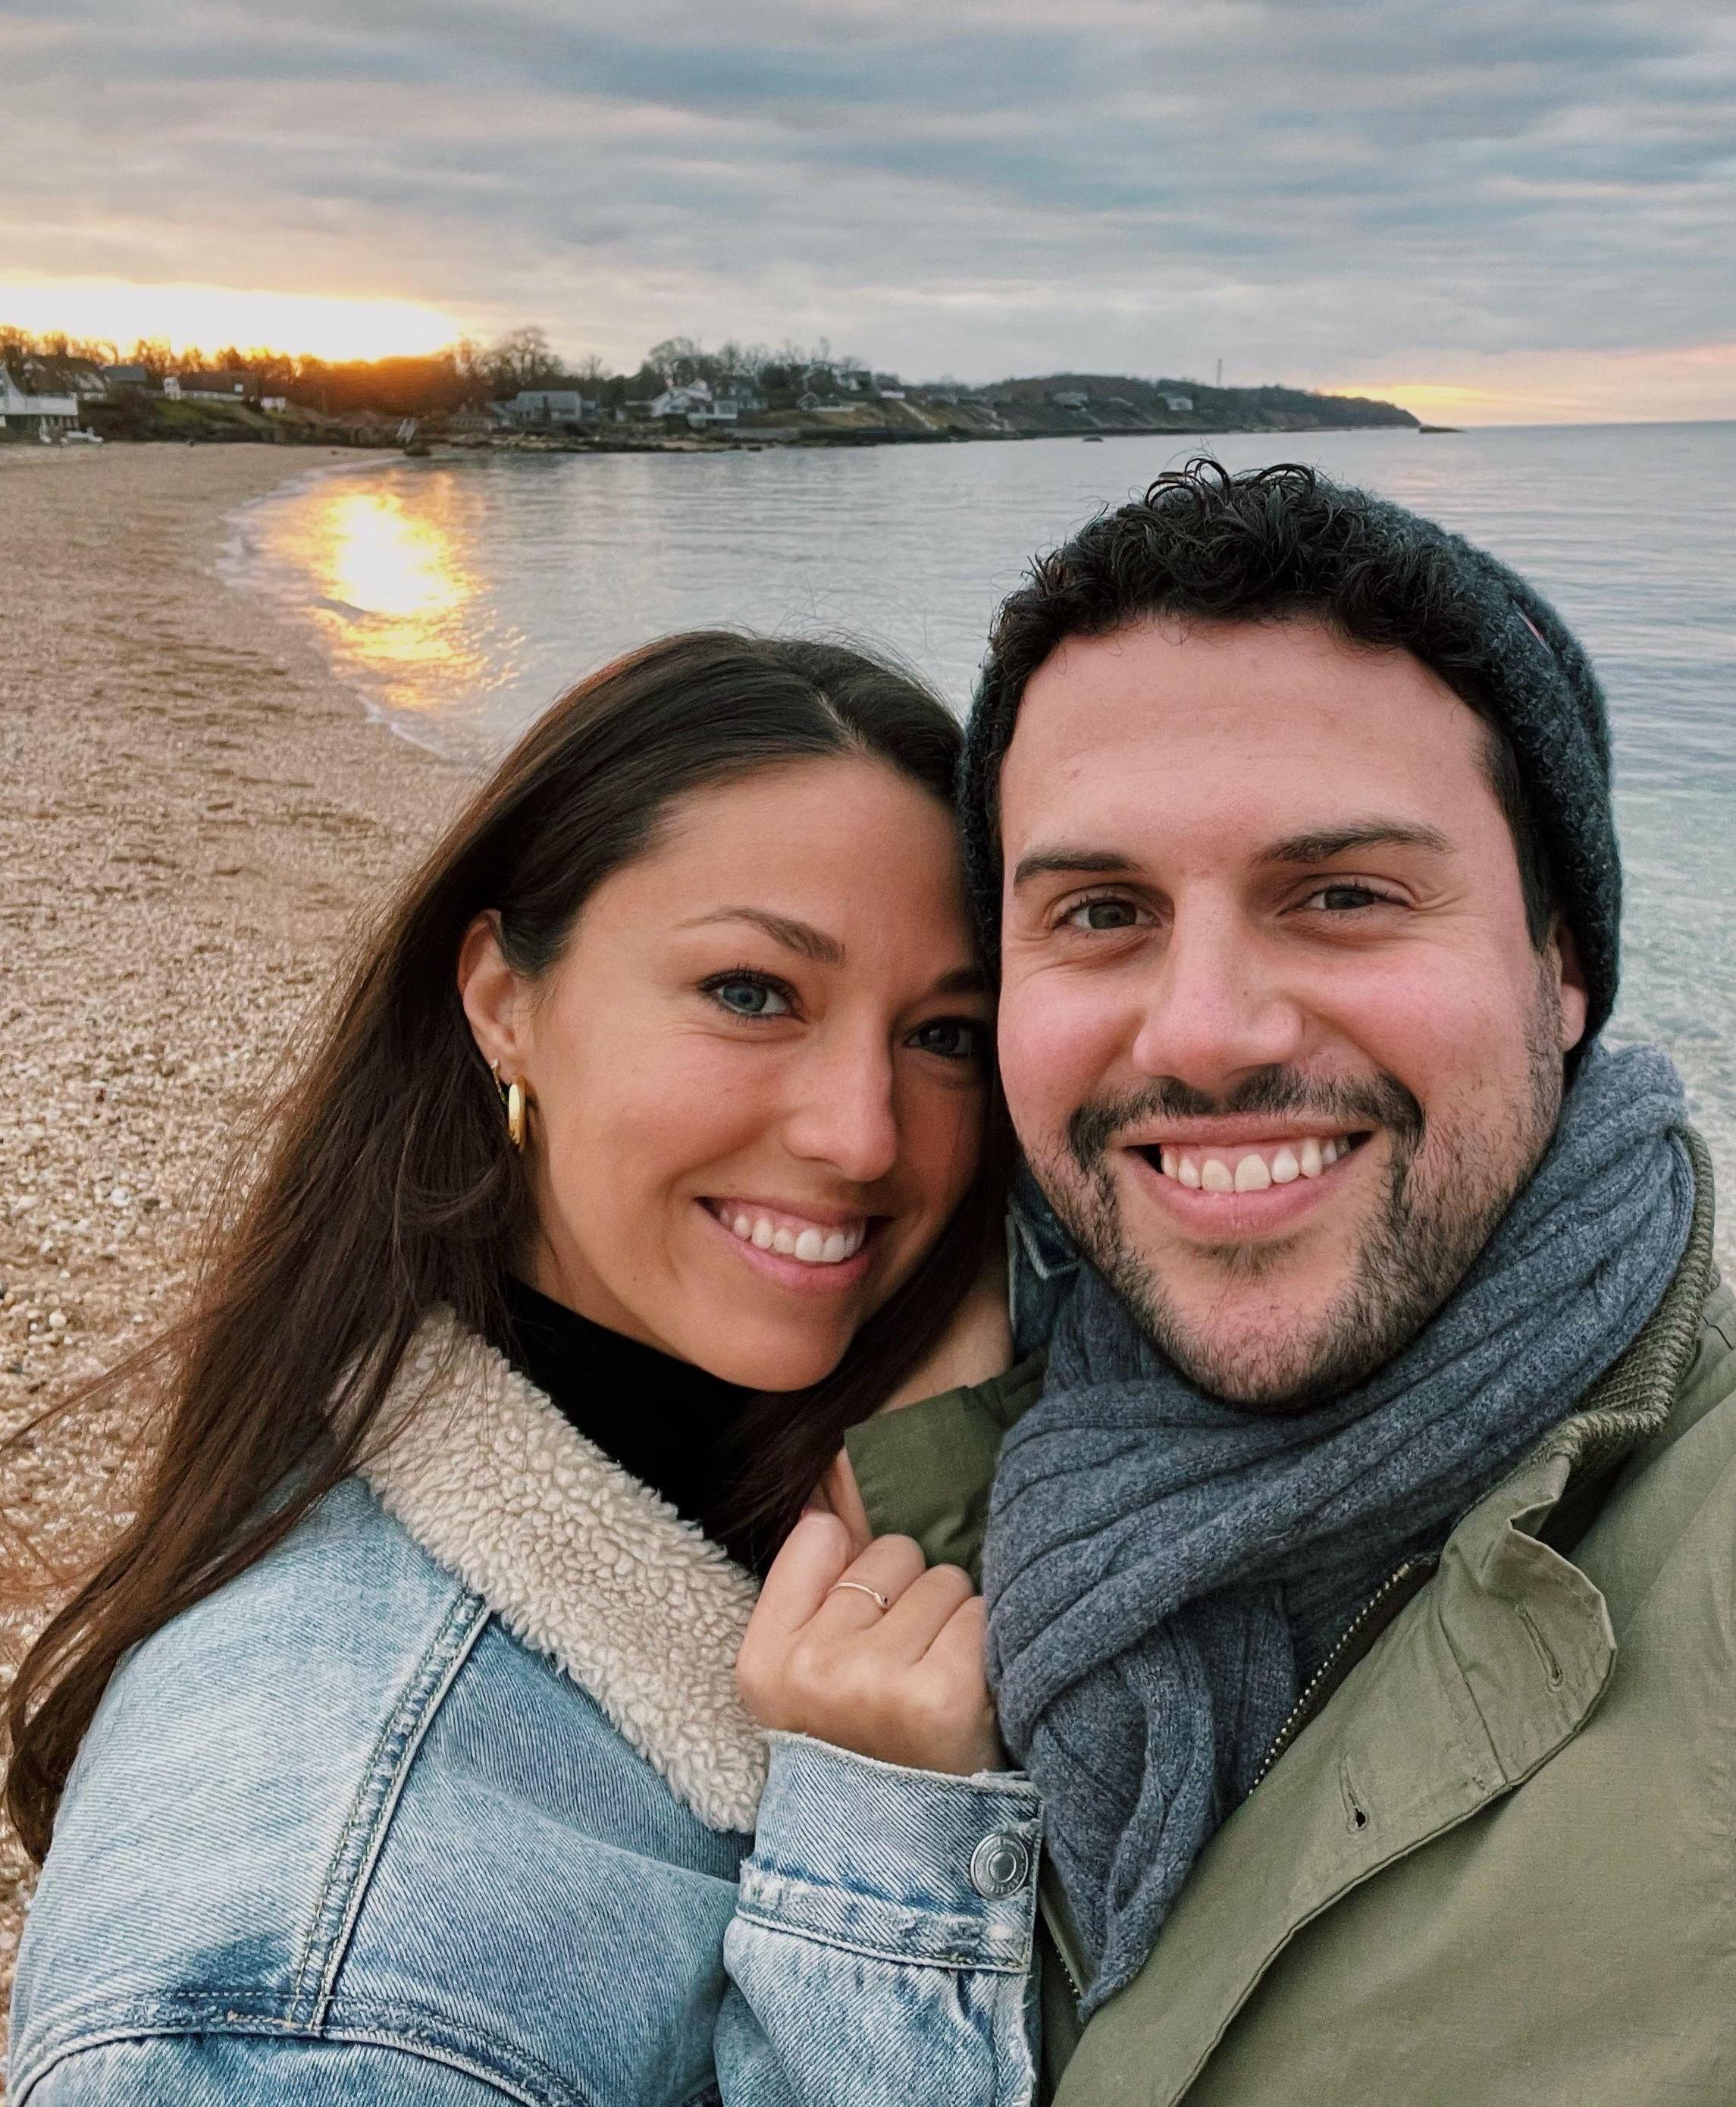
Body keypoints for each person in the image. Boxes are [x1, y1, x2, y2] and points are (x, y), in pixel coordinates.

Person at [760, 461, 1736, 2105]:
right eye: (1100, 912)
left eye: (1346, 896)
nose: (1209, 1026)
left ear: (1562, 961)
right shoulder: (964, 1469)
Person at [4, 631, 1042, 2105]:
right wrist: (883, 1845)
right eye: (753, 992)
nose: (864, 1133)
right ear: (503, 997)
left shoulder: (902, 1421)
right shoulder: (308, 1990)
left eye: (946, 1031)